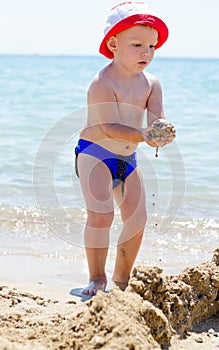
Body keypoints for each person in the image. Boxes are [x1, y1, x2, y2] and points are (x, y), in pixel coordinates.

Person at [75, 2, 176, 296]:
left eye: (152, 46)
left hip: (126, 157)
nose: (147, 52)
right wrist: (143, 135)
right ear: (113, 44)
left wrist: (161, 131)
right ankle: (97, 279)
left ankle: (121, 281)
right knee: (102, 215)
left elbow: (156, 118)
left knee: (137, 217)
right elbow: (108, 126)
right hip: (95, 153)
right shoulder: (103, 81)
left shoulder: (152, 83)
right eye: (137, 44)